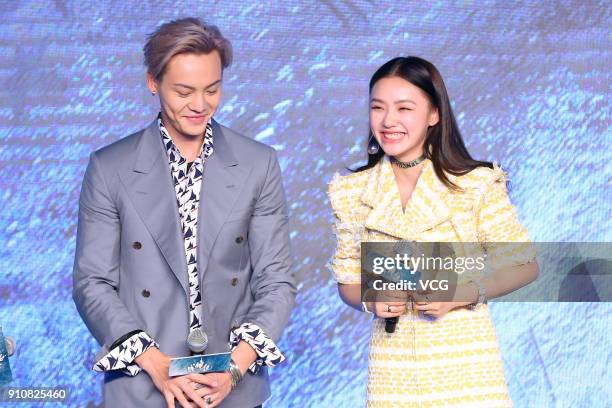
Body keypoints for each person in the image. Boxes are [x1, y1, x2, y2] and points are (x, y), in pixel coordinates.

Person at [73, 18, 296, 408]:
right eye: (184, 91)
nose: (199, 105)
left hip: (234, 386)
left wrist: (233, 368)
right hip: (142, 386)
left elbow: (276, 280)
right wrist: (155, 363)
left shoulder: (257, 163)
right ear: (153, 82)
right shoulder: (110, 168)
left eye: (212, 89)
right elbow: (92, 282)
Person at [328, 56, 539, 407]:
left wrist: (461, 293)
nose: (388, 120)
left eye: (404, 108)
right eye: (378, 107)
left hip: (467, 365)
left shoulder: (476, 184)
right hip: (391, 367)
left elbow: (525, 265)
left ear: (434, 114)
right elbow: (347, 282)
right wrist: (371, 300)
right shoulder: (351, 191)